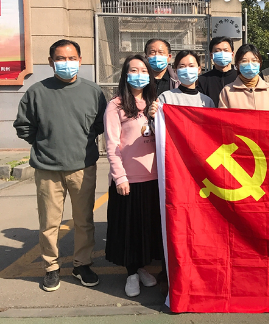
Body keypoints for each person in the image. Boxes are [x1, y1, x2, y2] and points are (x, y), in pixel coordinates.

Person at [13, 39, 107, 292]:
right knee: (49, 221)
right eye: (61, 59)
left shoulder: (93, 92)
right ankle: (51, 267)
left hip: (82, 167)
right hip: (47, 168)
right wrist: (45, 143)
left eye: (72, 58)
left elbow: (100, 125)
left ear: (80, 60)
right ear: (51, 61)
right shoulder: (36, 92)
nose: (67, 63)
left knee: (84, 220)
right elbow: (24, 126)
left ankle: (82, 264)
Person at [104, 55, 163, 297]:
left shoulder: (155, 103)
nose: (139, 75)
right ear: (125, 75)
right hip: (129, 179)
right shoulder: (116, 105)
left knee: (147, 229)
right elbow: (111, 145)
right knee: (129, 230)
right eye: (134, 70)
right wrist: (120, 177)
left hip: (154, 177)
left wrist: (156, 116)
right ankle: (131, 273)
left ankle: (141, 268)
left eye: (143, 70)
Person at [219, 44, 269, 111]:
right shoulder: (227, 91)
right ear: (237, 65)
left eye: (254, 60)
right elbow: (222, 116)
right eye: (244, 61)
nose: (250, 65)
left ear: (260, 63)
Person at [196, 36, 239, 107]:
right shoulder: (202, 81)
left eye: (226, 50)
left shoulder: (240, 78)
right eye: (217, 51)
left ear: (232, 54)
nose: (222, 54)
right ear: (211, 55)